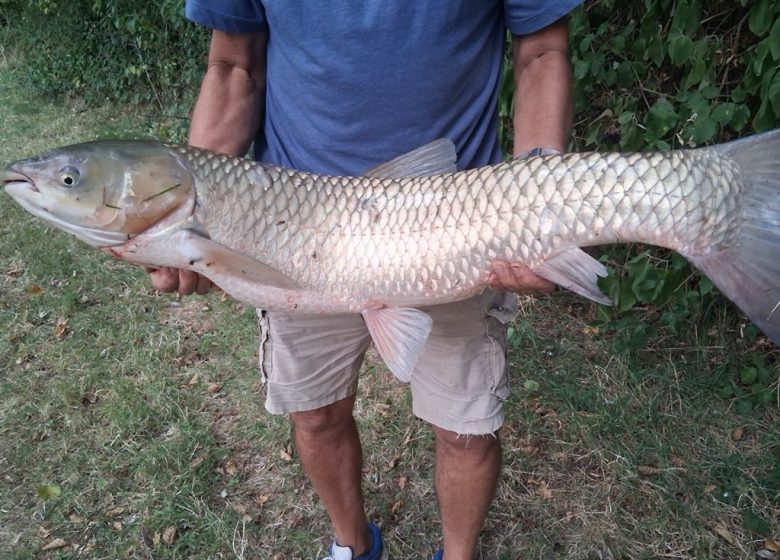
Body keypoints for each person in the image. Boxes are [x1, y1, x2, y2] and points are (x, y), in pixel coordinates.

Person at [150, 2, 583, 558]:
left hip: (456, 218)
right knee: (315, 414)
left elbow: (542, 49)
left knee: (466, 428)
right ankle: (352, 546)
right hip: (291, 226)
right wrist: (201, 221)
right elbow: (234, 65)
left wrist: (537, 205)